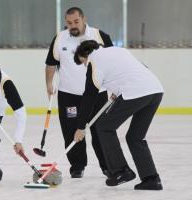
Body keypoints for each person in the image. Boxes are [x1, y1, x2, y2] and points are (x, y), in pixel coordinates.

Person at [73, 40, 164, 190]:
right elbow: (137, 69)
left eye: (83, 62)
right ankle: (151, 179)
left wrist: (80, 127)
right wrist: (117, 90)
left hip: (135, 92)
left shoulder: (94, 61)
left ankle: (121, 171)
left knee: (103, 127)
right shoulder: (118, 50)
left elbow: (89, 96)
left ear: (86, 54)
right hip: (155, 90)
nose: (85, 66)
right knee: (135, 137)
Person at [45, 7, 113, 178]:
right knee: (71, 131)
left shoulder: (100, 36)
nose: (73, 26)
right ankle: (77, 166)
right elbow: (51, 63)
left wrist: (114, 88)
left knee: (100, 130)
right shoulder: (60, 38)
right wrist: (48, 83)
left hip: (98, 94)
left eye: (76, 21)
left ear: (83, 19)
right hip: (69, 94)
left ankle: (107, 166)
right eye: (69, 23)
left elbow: (113, 62)